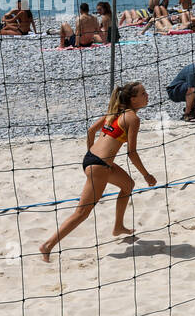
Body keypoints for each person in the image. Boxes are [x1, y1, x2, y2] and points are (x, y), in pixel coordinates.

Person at [38, 82, 157, 261]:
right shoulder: (132, 118)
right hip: (99, 166)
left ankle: (118, 227)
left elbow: (91, 130)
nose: (147, 95)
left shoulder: (114, 112)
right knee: (82, 213)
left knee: (128, 185)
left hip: (92, 159)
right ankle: (47, 245)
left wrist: (91, 152)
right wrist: (146, 175)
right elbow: (131, 153)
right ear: (133, 99)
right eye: (143, 93)